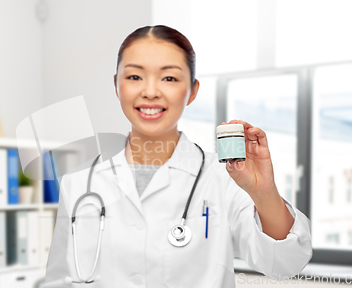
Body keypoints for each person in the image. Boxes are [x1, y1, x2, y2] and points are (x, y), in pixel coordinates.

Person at [43, 25, 312, 288]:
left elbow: (284, 264)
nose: (150, 91)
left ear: (192, 91)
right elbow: (59, 279)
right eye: (135, 77)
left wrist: (264, 192)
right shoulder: (78, 183)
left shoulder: (225, 178)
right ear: (116, 85)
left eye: (169, 78)